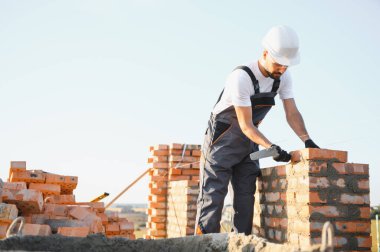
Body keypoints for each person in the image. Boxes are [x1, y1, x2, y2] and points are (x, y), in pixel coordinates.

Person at [195, 25, 320, 235]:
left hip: (250, 143)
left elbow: (292, 113)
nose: (282, 69)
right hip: (221, 142)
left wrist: (307, 140)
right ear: (265, 53)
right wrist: (271, 147)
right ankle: (204, 246)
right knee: (212, 198)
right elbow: (245, 124)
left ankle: (240, 246)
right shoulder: (241, 77)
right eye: (279, 63)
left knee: (245, 201)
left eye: (286, 66)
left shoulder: (282, 78)